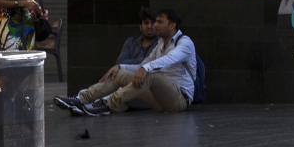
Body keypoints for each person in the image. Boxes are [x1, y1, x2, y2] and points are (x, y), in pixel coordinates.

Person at [58, 9, 197, 116]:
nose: (155, 25)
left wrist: (145, 68)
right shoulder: (160, 44)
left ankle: (105, 104)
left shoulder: (185, 42)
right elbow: (143, 64)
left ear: (172, 25)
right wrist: (120, 66)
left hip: (179, 99)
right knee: (121, 74)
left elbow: (170, 58)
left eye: (160, 22)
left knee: (149, 74)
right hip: (158, 100)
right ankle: (81, 99)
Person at [53, 9, 159, 114]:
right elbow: (120, 61)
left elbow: (146, 63)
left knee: (119, 77)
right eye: (146, 23)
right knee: (115, 79)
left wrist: (124, 66)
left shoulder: (159, 44)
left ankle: (84, 103)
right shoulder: (131, 42)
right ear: (140, 26)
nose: (149, 26)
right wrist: (122, 66)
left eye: (152, 23)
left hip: (143, 91)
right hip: (124, 89)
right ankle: (81, 104)